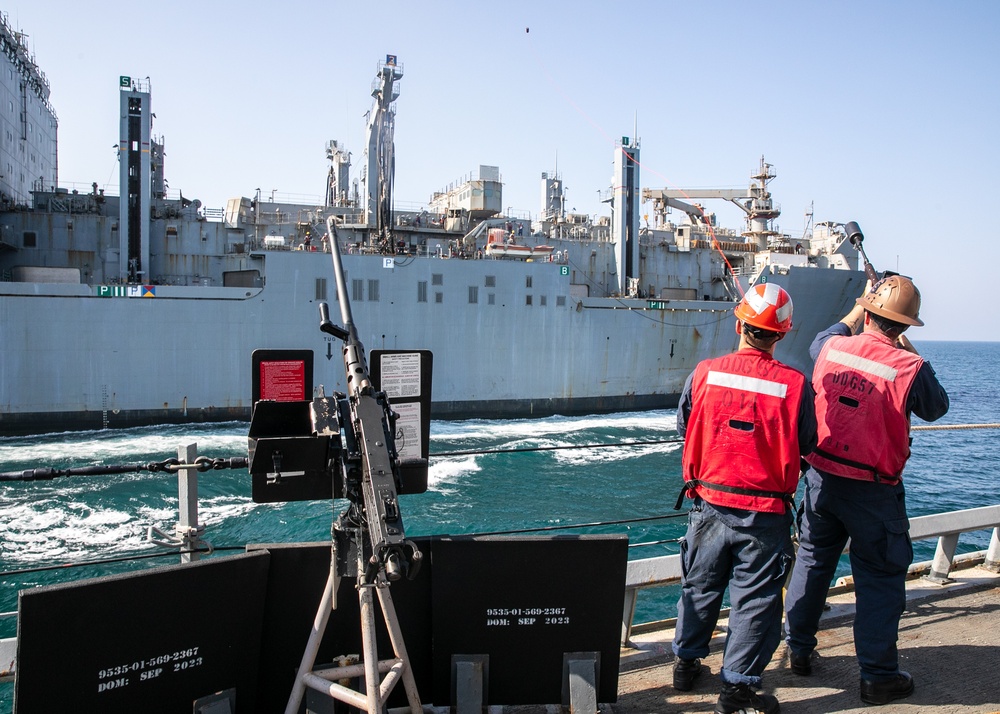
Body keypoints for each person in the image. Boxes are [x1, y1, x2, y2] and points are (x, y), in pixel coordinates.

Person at [784, 275, 949, 706]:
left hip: (821, 480)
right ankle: (877, 676)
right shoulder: (910, 367)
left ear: (869, 314)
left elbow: (828, 333)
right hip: (874, 492)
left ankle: (798, 651)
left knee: (812, 562)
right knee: (879, 580)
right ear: (906, 326)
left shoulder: (831, 348)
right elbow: (936, 407)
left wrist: (859, 307)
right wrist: (906, 347)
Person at [672, 283, 817, 714]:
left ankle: (685, 664)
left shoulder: (704, 372)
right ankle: (736, 690)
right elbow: (808, 442)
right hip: (766, 512)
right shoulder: (795, 385)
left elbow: (685, 424)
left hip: (708, 504)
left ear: (739, 323)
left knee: (699, 586)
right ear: (782, 334)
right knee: (755, 600)